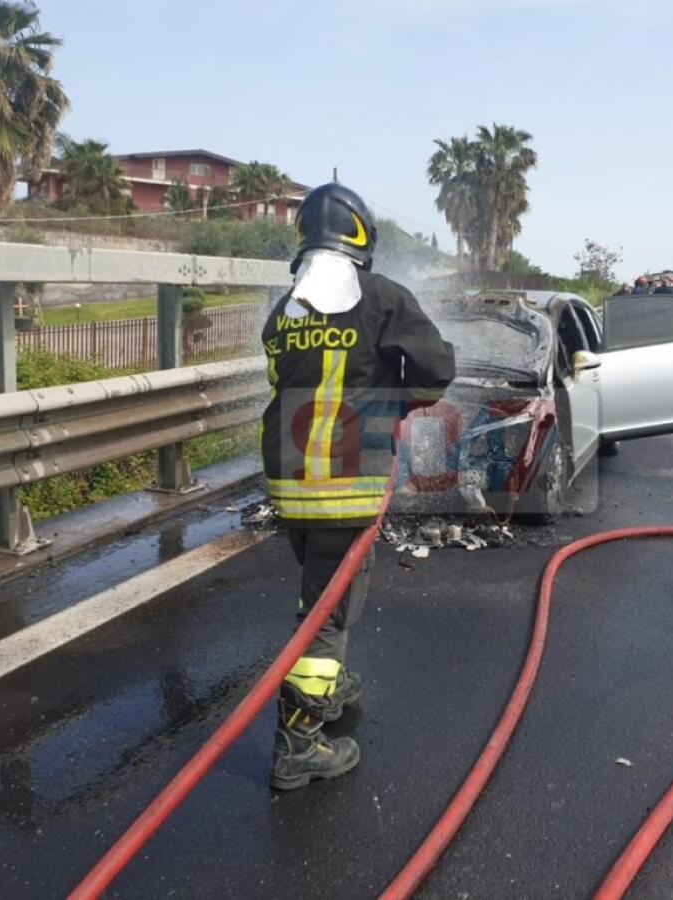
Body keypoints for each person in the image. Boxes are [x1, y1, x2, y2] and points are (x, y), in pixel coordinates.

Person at [260, 183, 455, 790]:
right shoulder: (383, 298)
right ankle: (299, 741)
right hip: (346, 486)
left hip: (290, 481)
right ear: (362, 238)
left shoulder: (285, 308)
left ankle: (329, 684)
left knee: (319, 591)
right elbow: (437, 372)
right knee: (328, 617)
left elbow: (278, 373)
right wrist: (401, 394)